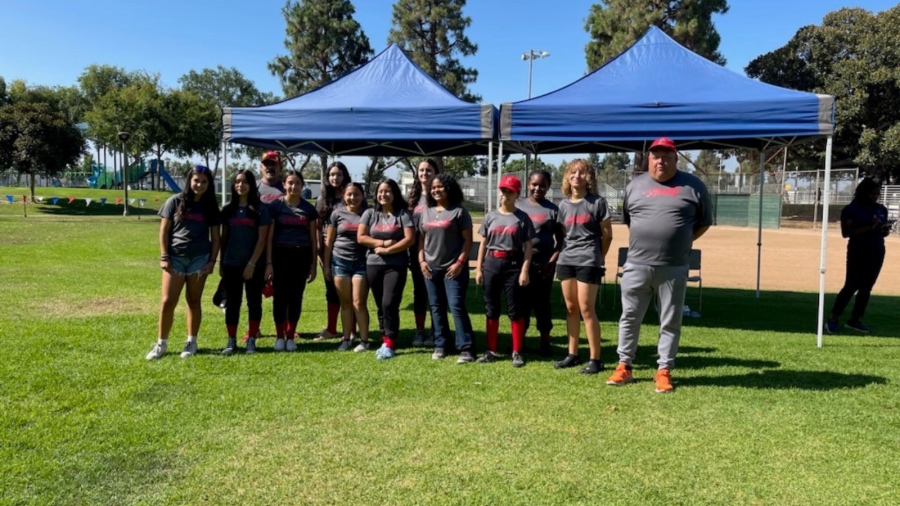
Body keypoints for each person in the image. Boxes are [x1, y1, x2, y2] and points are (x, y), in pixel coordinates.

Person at [606, 137, 712, 393]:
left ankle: (664, 370)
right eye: (655, 156)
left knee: (670, 320)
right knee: (629, 317)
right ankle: (624, 366)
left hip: (673, 266)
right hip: (637, 264)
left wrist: (681, 241)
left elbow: (704, 223)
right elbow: (631, 221)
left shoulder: (694, 186)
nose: (660, 161)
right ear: (648, 159)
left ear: (676, 158)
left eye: (666, 156)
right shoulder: (635, 185)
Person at [146, 165, 220, 360]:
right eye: (196, 180)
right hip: (175, 258)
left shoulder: (211, 206)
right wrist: (164, 256)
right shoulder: (174, 201)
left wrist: (212, 261)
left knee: (193, 301)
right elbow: (163, 231)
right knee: (167, 301)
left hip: (199, 259)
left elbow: (216, 237)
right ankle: (161, 344)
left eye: (204, 182)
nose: (200, 185)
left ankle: (191, 342)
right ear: (189, 181)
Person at [552, 159, 613, 375]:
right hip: (566, 260)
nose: (577, 176)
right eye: (573, 172)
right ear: (567, 177)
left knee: (587, 309)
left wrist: (599, 257)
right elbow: (562, 234)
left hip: (588, 261)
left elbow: (607, 235)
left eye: (582, 172)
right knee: (571, 308)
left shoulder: (597, 203)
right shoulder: (563, 205)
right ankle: (572, 354)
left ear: (589, 178)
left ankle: (595, 359)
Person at [475, 175, 535, 367]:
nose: (505, 194)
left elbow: (528, 247)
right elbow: (483, 244)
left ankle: (516, 351)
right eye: (503, 190)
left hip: (513, 265)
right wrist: (479, 269)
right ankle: (491, 350)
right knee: (491, 308)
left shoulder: (522, 218)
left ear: (517, 194)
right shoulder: (491, 216)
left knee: (515, 309)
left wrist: (524, 270)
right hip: (492, 263)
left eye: (510, 191)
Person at [417, 174, 477, 364]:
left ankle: (466, 348)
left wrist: (459, 263)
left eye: (440, 187)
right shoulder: (426, 211)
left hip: (454, 268)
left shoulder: (459, 212)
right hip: (431, 268)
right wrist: (422, 262)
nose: (436, 190)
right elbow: (420, 239)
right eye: (433, 188)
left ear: (449, 188)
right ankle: (441, 344)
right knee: (436, 307)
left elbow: (468, 240)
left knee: (456, 306)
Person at [358, 179, 415, 360]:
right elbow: (361, 237)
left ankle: (390, 343)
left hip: (396, 265)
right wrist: (382, 243)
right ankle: (385, 339)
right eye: (380, 191)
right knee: (380, 305)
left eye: (387, 191)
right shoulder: (370, 213)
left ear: (395, 193)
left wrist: (389, 250)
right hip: (373, 264)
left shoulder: (403, 214)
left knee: (389, 303)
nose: (383, 195)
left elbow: (409, 239)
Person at [218, 170, 271, 355]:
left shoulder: (261, 209)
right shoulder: (227, 209)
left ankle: (252, 340)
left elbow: (262, 239)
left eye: (245, 182)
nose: (241, 185)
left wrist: (252, 264)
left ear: (251, 185)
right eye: (237, 182)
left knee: (254, 302)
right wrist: (221, 263)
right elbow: (223, 238)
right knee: (232, 302)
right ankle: (231, 340)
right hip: (231, 263)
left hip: (254, 265)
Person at [826, 178, 889, 334]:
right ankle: (833, 318)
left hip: (877, 250)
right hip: (858, 250)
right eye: (872, 193)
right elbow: (846, 233)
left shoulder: (881, 209)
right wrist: (870, 227)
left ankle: (855, 319)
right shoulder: (851, 210)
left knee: (867, 287)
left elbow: (882, 231)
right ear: (864, 192)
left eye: (877, 194)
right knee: (851, 285)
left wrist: (884, 230)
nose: (875, 196)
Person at [267, 170, 319, 351]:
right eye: (290, 182)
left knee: (296, 297)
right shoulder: (275, 206)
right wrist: (269, 263)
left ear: (302, 185)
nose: (293, 186)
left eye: (297, 183)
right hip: (280, 255)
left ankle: (290, 336)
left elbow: (313, 239)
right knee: (280, 297)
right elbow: (269, 237)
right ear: (284, 184)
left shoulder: (309, 209)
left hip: (301, 257)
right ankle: (279, 336)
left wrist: (313, 265)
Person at [316, 161, 367, 341]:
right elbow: (317, 226)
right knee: (332, 290)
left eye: (338, 174)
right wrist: (320, 253)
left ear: (344, 176)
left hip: (355, 253)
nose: (335, 178)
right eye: (331, 175)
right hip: (329, 251)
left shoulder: (356, 196)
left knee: (353, 294)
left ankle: (351, 330)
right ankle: (331, 328)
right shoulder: (323, 200)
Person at [516, 169, 564, 356]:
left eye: (542, 185)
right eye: (534, 184)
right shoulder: (518, 206)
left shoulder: (553, 210)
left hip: (544, 264)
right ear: (528, 184)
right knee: (522, 303)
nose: (538, 188)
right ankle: (520, 342)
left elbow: (560, 241)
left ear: (548, 187)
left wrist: (551, 262)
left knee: (542, 303)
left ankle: (545, 342)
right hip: (521, 265)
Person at [323, 183, 371, 352]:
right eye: (349, 194)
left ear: (362, 196)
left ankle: (364, 340)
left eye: (356, 194)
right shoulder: (336, 214)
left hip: (361, 263)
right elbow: (329, 242)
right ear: (343, 196)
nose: (353, 198)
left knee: (359, 302)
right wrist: (326, 266)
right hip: (340, 262)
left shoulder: (368, 214)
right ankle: (346, 338)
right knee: (345, 303)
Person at [406, 159, 440, 347]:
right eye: (422, 170)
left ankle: (436, 331)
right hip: (417, 254)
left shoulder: (440, 196)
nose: (425, 173)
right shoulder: (412, 199)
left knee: (436, 294)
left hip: (438, 252)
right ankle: (420, 331)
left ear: (435, 172)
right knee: (420, 292)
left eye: (429, 170)